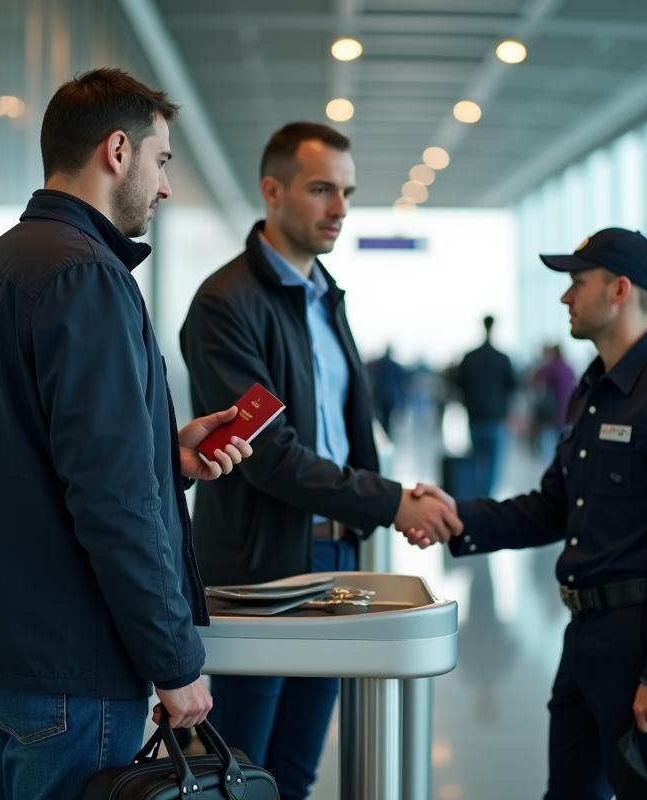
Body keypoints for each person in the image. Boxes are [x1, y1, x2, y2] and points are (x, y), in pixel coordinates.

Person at [0, 69, 254, 799]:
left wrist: (164, 453)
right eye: (162, 160)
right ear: (117, 150)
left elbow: (23, 452)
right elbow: (112, 499)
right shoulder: (88, 277)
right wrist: (174, 658)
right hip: (69, 656)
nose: (165, 187)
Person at [179, 122, 461, 800]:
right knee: (242, 774)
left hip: (337, 565)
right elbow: (268, 456)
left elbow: (343, 434)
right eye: (320, 190)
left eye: (347, 192)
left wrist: (383, 508)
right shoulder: (226, 304)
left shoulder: (325, 296)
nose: (340, 208)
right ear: (271, 191)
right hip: (263, 570)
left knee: (298, 772)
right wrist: (393, 502)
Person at [406, 228, 647, 799]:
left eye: (577, 283)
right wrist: (460, 516)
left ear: (620, 289)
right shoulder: (591, 391)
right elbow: (555, 507)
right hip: (584, 637)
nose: (565, 297)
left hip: (641, 642)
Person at [454, 315, 517, 498]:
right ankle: (487, 498)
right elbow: (512, 385)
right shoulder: (502, 358)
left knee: (475, 460)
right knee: (493, 463)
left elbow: (459, 383)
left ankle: (474, 498)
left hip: (475, 415)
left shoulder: (470, 357)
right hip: (496, 416)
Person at [531, 344, 576, 462]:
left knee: (549, 450)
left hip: (552, 414)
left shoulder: (550, 367)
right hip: (568, 413)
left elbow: (535, 381)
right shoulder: (569, 368)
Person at [367, 345, 408, 436]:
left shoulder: (380, 363)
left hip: (380, 394)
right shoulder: (395, 365)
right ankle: (386, 435)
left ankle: (382, 435)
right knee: (387, 418)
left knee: (380, 417)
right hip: (390, 396)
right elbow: (400, 382)